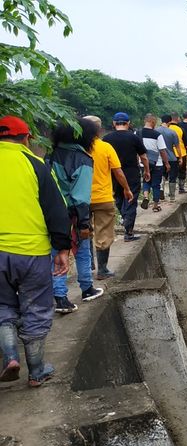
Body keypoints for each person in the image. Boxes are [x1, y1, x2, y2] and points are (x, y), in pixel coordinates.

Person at [0, 116, 70, 387]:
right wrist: (62, 247)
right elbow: (55, 209)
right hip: (31, 251)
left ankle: (9, 357)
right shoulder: (36, 165)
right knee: (36, 308)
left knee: (3, 305)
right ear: (26, 138)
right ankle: (37, 370)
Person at [47, 119, 104, 314]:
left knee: (56, 253)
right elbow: (80, 197)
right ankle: (86, 288)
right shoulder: (82, 159)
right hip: (73, 214)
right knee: (82, 250)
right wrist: (84, 223)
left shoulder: (51, 155)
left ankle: (60, 297)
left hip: (51, 213)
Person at [82, 115, 133, 280]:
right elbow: (118, 171)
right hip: (103, 197)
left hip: (81, 198)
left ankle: (88, 265)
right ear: (99, 129)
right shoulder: (105, 147)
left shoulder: (77, 148)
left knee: (84, 231)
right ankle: (102, 270)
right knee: (103, 233)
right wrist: (126, 189)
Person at [103, 112, 150, 242]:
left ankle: (125, 218)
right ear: (128, 123)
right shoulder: (134, 138)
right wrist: (147, 171)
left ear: (114, 123)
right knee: (131, 200)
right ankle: (128, 231)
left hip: (113, 174)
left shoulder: (106, 139)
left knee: (118, 198)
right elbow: (143, 157)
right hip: (131, 174)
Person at [138, 114, 170, 212]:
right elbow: (162, 151)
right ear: (153, 122)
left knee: (146, 180)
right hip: (157, 163)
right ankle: (155, 206)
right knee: (156, 184)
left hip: (143, 163)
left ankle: (146, 197)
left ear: (145, 121)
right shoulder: (157, 135)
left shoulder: (137, 133)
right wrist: (167, 163)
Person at [156, 115, 181, 201]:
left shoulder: (155, 131)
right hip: (171, 158)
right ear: (169, 122)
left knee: (161, 175)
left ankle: (161, 191)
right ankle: (172, 197)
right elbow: (177, 147)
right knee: (172, 177)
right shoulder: (172, 132)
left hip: (159, 158)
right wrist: (180, 158)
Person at [169, 112, 187, 193]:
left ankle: (171, 191)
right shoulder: (180, 129)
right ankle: (181, 188)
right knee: (182, 172)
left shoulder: (167, 128)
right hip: (181, 154)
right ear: (178, 118)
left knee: (171, 173)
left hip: (169, 154)